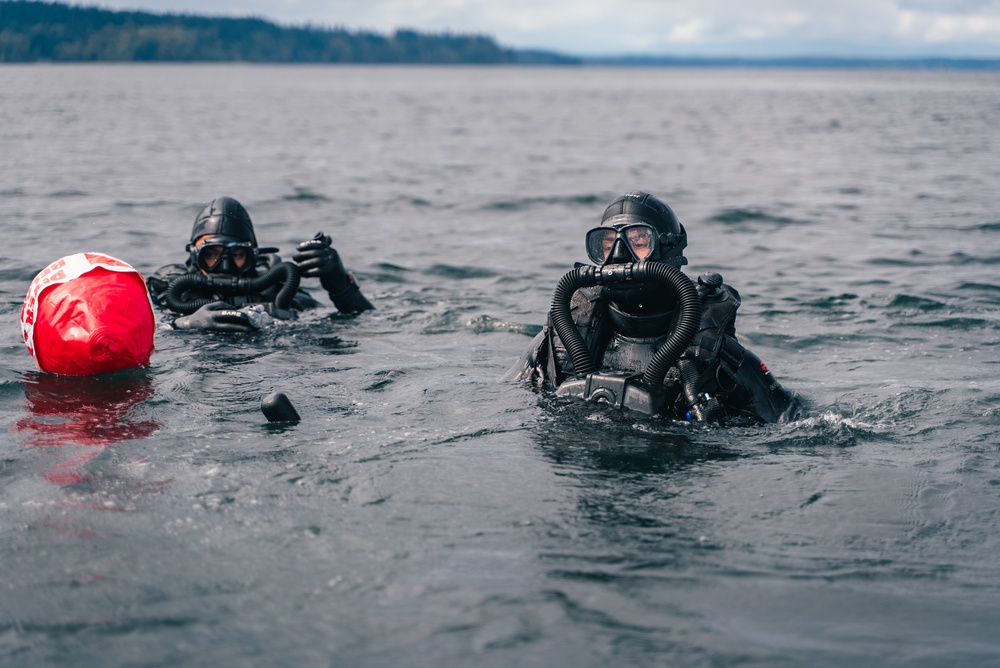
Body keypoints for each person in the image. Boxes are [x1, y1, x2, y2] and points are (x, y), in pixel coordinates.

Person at [505, 191, 802, 424]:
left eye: (638, 241)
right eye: (607, 244)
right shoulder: (563, 339)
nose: (620, 256)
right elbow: (503, 400)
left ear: (669, 250)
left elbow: (793, 422)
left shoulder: (710, 353)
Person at [147, 196, 373, 332]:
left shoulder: (273, 289)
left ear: (253, 256)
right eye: (211, 254)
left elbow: (361, 324)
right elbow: (140, 335)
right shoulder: (173, 291)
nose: (224, 267)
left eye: (236, 254)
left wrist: (340, 283)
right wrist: (184, 324)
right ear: (195, 255)